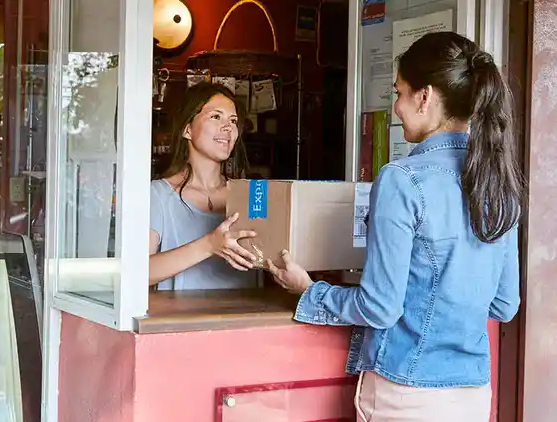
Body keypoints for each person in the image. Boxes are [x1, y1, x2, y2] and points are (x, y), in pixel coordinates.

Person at [267, 32, 523, 421]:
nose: (397, 107)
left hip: (408, 391)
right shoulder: (498, 180)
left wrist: (309, 290)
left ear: (426, 96)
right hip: (471, 393)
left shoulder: (403, 179)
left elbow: (380, 307)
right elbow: (504, 305)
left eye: (400, 92)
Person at [149, 82, 259, 290]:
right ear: (187, 129)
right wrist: (210, 245)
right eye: (216, 116)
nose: (228, 127)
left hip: (246, 319)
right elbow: (138, 273)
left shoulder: (251, 195)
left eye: (233, 120)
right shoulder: (157, 195)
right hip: (184, 321)